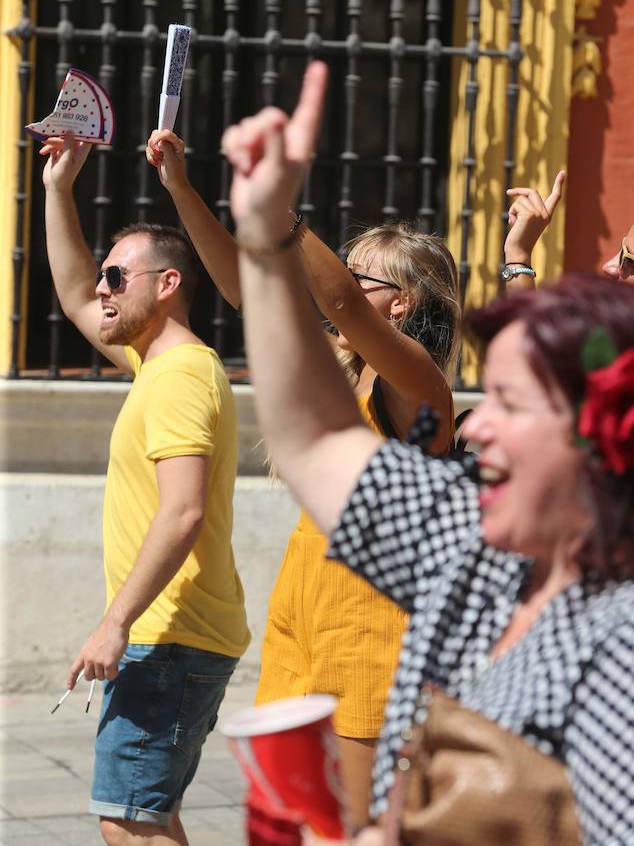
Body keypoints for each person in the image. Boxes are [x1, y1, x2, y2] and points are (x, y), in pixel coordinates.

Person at [220, 62, 634, 844]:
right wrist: (262, 223)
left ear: (593, 433)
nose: (471, 427)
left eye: (509, 404)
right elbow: (313, 438)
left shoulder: (618, 647)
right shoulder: (461, 544)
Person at [145, 120, 561, 827]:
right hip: (303, 627)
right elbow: (246, 289)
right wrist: (182, 188)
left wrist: (284, 215)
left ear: (402, 303)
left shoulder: (419, 387)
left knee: (353, 833)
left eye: (357, 270)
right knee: (290, 829)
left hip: (372, 644)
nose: (335, 280)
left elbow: (336, 298)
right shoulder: (342, 372)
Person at [40, 132, 250, 846]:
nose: (102, 287)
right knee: (147, 814)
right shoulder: (158, 368)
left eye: (116, 277)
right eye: (104, 275)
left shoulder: (182, 376)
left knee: (128, 824)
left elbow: (184, 510)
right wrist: (58, 189)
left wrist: (115, 622)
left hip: (169, 639)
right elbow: (73, 298)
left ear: (166, 285)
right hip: (176, 639)